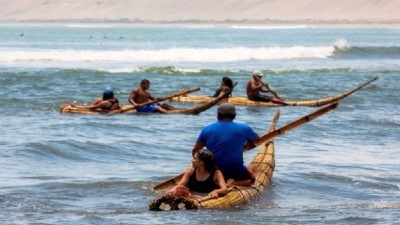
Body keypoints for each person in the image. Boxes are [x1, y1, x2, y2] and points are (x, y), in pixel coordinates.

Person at [192, 103, 261, 187]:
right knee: (251, 180)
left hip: (213, 170)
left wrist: (200, 166)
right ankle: (234, 183)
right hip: (235, 170)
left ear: (217, 115)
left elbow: (195, 150)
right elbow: (257, 140)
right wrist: (245, 148)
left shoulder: (207, 129)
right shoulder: (245, 128)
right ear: (234, 116)